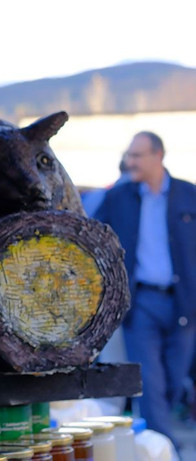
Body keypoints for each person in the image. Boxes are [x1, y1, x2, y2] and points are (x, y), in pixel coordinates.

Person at [94, 131, 196, 451]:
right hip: (140, 304)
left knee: (174, 379)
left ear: (158, 156)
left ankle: (160, 441)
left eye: (137, 155)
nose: (130, 161)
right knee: (149, 380)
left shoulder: (189, 196)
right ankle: (164, 448)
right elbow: (95, 241)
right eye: (129, 154)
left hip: (183, 304)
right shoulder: (117, 198)